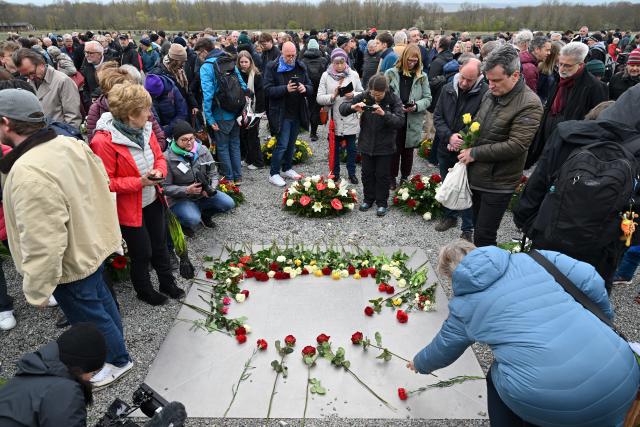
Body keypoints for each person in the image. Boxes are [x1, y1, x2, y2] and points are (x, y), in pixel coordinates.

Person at [409, 240, 639, 427]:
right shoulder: (537, 258)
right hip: (623, 375)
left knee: (497, 374)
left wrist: (419, 364)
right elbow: (590, 279)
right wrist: (601, 319)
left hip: (558, 404)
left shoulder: (465, 305)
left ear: (450, 276)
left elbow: (444, 347)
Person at [0, 88, 132, 388]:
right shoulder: (67, 143)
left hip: (70, 260)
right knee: (102, 304)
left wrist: (37, 289)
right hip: (90, 243)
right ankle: (118, 351)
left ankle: (117, 361)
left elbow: (43, 240)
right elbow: (100, 187)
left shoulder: (29, 171)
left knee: (90, 317)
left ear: (7, 123)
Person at [514, 87, 640, 292]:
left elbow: (537, 184)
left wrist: (530, 224)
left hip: (548, 236)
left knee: (536, 293)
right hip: (598, 254)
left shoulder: (569, 132)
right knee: (584, 305)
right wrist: (617, 247)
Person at [91, 82, 185, 306]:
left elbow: (159, 156)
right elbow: (105, 183)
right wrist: (139, 182)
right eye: (145, 109)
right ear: (131, 114)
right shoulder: (103, 142)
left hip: (152, 198)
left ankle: (166, 282)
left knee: (160, 244)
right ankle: (144, 290)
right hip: (129, 208)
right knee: (141, 252)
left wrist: (160, 171)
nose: (150, 113)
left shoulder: (146, 129)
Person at [457, 45, 542, 247]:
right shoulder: (491, 94)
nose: (491, 85)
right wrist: (463, 137)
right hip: (478, 174)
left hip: (498, 182)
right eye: (488, 80)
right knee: (478, 226)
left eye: (496, 80)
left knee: (485, 235)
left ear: (515, 75)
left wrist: (475, 152)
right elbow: (478, 122)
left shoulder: (530, 104)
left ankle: (486, 274)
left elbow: (517, 145)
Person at [0, 323, 106, 424]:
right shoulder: (66, 393)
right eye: (93, 372)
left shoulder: (26, 375)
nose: (91, 378)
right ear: (82, 368)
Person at [526, 41, 608, 168]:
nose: (562, 69)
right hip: (549, 141)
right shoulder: (560, 80)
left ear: (580, 65)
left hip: (570, 146)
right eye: (560, 64)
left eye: (567, 66)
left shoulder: (594, 87)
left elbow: (597, 123)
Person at [433, 57, 488, 242]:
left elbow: (480, 121)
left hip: (467, 149)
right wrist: (448, 136)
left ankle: (467, 227)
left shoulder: (485, 93)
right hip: (445, 145)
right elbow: (438, 115)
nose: (464, 83)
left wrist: (461, 139)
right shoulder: (448, 87)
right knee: (447, 182)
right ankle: (449, 215)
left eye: (469, 80)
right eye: (462, 77)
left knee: (467, 187)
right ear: (459, 70)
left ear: (480, 76)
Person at [339, 74, 404, 217]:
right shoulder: (365, 95)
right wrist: (352, 107)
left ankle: (382, 203)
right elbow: (342, 108)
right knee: (366, 174)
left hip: (385, 146)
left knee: (382, 175)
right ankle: (368, 199)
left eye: (379, 94)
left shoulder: (393, 99)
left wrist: (384, 114)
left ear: (385, 90)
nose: (375, 97)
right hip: (366, 143)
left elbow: (400, 121)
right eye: (373, 94)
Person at [163, 120, 235, 235]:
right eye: (184, 140)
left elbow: (213, 173)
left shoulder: (203, 150)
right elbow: (165, 188)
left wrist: (211, 188)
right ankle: (183, 223)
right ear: (175, 140)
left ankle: (205, 215)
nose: (189, 143)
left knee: (228, 203)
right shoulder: (167, 158)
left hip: (202, 194)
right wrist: (186, 190)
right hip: (181, 198)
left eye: (191, 138)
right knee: (192, 219)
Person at [263, 41, 313, 187]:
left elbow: (311, 86)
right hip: (280, 113)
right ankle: (274, 173)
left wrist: (305, 88)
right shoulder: (272, 67)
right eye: (288, 55)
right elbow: (267, 90)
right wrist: (285, 89)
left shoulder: (300, 66)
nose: (291, 58)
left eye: (293, 55)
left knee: (291, 143)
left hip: (297, 111)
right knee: (282, 144)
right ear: (281, 53)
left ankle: (287, 168)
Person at [385, 44, 432, 188]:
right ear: (404, 58)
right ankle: (391, 177)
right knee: (393, 149)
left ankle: (405, 177)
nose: (412, 63)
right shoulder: (391, 73)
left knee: (408, 151)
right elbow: (383, 95)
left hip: (412, 119)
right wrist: (393, 108)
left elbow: (428, 98)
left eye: (415, 61)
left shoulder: (422, 77)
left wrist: (416, 106)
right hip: (395, 117)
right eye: (410, 60)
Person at [86, 65, 166, 149]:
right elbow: (95, 147)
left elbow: (160, 139)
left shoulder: (139, 103)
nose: (128, 93)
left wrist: (147, 153)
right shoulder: (96, 109)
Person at [201, 43, 247, 184]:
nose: (199, 56)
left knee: (222, 146)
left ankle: (228, 178)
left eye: (199, 53)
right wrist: (242, 108)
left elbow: (207, 95)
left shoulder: (206, 67)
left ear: (204, 51)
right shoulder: (229, 61)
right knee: (235, 144)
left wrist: (209, 117)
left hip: (220, 114)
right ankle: (238, 177)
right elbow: (243, 86)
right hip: (235, 111)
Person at [316, 48, 363, 183]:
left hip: (350, 116)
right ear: (332, 62)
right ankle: (335, 173)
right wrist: (333, 95)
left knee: (351, 148)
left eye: (342, 62)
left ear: (346, 61)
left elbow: (363, 93)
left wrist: (353, 94)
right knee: (334, 148)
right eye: (336, 63)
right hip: (334, 118)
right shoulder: (326, 75)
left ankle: (352, 173)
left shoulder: (353, 74)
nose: (339, 66)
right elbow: (319, 98)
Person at [13, 48, 82, 129]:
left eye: (32, 73)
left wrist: (67, 137)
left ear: (41, 64)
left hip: (59, 136)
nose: (30, 78)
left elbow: (73, 117)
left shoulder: (63, 81)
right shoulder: (29, 82)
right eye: (26, 75)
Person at [237, 50, 265, 170]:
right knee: (244, 135)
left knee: (253, 136)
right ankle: (248, 158)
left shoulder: (256, 75)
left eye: (246, 62)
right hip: (241, 110)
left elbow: (261, 94)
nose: (243, 64)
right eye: (241, 62)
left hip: (254, 110)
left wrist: (259, 112)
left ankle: (258, 161)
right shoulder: (237, 74)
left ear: (250, 62)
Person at [144, 74, 188, 139]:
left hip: (175, 130)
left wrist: (168, 129)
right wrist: (159, 130)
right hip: (159, 133)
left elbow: (182, 113)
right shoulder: (148, 97)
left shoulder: (173, 91)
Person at [301, 38, 328, 142]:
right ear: (318, 48)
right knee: (317, 110)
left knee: (310, 108)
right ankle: (313, 133)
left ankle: (307, 128)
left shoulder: (303, 61)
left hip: (307, 88)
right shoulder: (324, 60)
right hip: (320, 88)